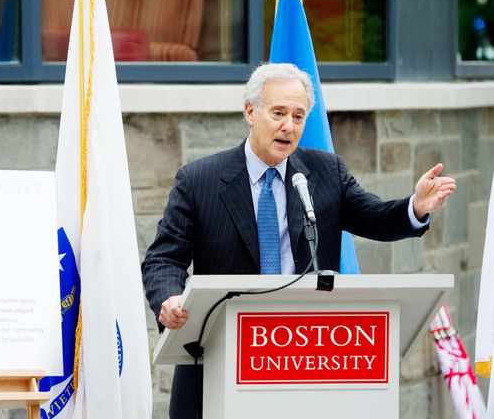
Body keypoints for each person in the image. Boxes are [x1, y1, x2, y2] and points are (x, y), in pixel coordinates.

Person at [141, 63, 456, 419]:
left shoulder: (324, 172)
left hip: (304, 361)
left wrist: (416, 206)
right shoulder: (199, 180)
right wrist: (169, 298)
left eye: (298, 116)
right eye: (278, 113)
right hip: (219, 360)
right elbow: (163, 260)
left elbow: (375, 217)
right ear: (250, 112)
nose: (288, 126)